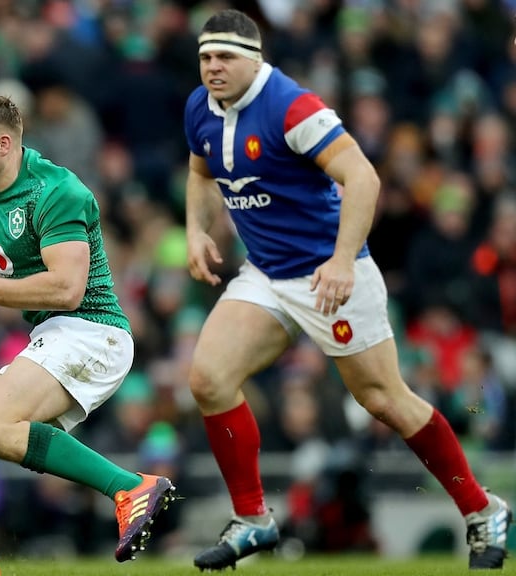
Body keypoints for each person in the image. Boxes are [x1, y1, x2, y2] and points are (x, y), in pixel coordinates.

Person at [182, 9, 511, 571]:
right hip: (266, 274)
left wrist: (340, 261)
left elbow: (363, 177)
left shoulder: (293, 106)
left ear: (254, 59)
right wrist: (194, 229)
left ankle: (483, 510)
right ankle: (254, 521)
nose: (213, 67)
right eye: (206, 57)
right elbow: (199, 171)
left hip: (329, 274)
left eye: (226, 57)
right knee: (208, 379)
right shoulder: (199, 106)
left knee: (382, 400)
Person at [0, 94, 176, 576]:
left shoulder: (58, 191)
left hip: (94, 331)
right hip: (53, 333)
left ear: (4, 143)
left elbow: (67, 288)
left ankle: (129, 486)